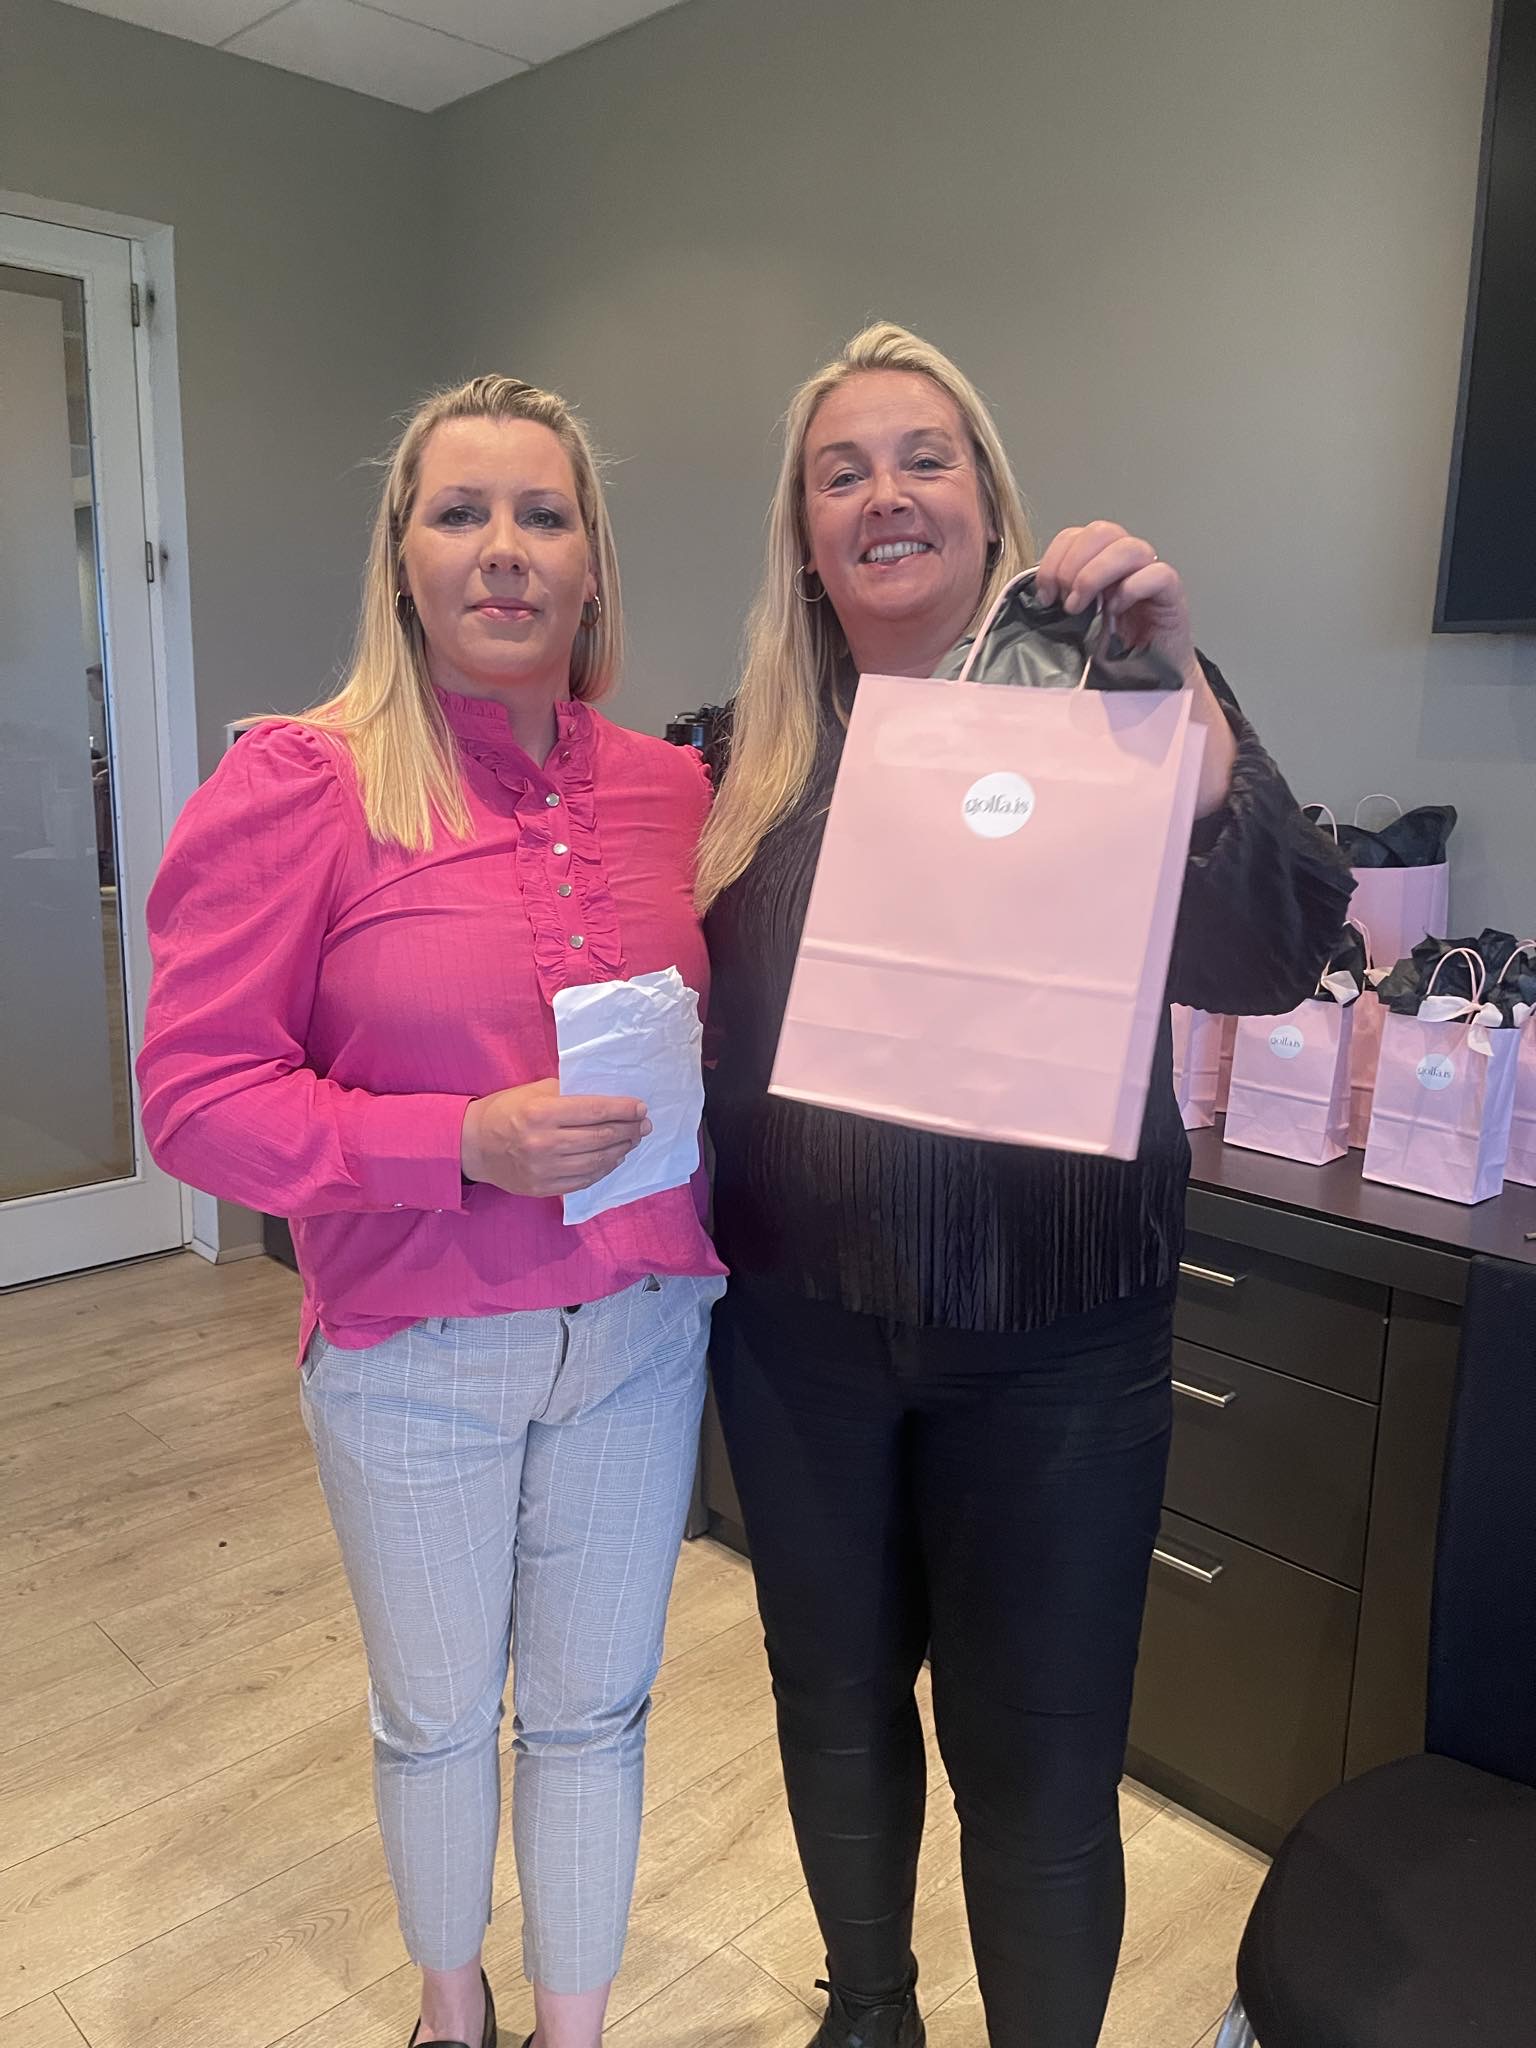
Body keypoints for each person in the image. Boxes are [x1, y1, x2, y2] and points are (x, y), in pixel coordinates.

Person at [696, 323, 1351, 2048]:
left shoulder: (1117, 696)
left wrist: (1190, 715)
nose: (886, 494)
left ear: (989, 504)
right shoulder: (746, 753)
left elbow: (1275, 954)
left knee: (1041, 1770)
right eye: (841, 471)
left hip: (1060, 1347)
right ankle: (869, 2015)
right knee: (834, 1708)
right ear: (804, 535)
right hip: (799, 1342)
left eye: (925, 458)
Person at [138, 376, 725, 2048]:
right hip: (415, 1354)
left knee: (598, 1716)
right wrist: (453, 1140)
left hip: (641, 1333)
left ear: (592, 563)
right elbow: (194, 1098)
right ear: (402, 557)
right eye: (460, 513)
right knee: (439, 1720)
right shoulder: (303, 784)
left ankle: (573, 2031)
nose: (504, 549)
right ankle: (449, 2012)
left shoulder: (672, 791)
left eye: (543, 514)